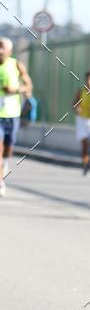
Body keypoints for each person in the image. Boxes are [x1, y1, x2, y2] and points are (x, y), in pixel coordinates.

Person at [0, 37, 32, 197]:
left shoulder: (16, 65)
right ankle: (0, 181)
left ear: (9, 51)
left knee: (8, 148)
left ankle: (4, 164)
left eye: (2, 47)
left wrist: (16, 89)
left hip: (12, 115)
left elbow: (28, 86)